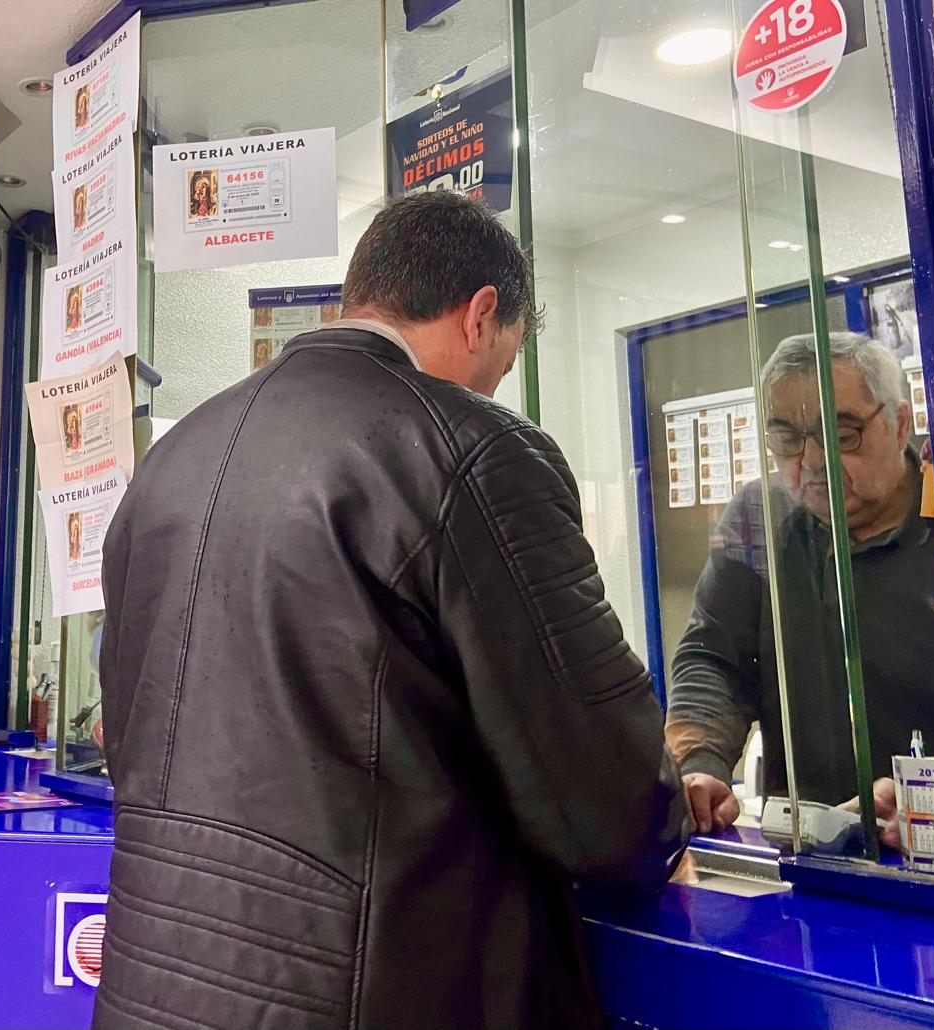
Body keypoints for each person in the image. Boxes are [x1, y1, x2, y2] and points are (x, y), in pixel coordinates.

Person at [96, 192, 691, 1030]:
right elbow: (602, 802)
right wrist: (670, 818)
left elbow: (127, 734)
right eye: (504, 362)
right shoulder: (473, 449)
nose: (492, 387)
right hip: (374, 994)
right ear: (481, 315)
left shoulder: (172, 458)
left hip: (153, 987)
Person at [667, 332, 934, 838]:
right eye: (786, 440)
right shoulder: (759, 517)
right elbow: (713, 657)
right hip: (803, 843)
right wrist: (701, 765)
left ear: (899, 425)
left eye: (842, 435)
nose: (810, 461)